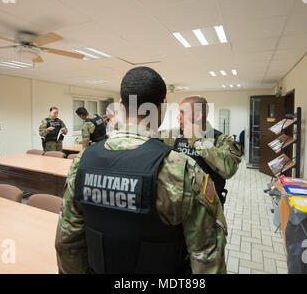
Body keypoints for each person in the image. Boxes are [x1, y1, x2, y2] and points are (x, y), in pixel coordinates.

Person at [55, 67, 228, 274]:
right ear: (163, 107)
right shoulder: (182, 170)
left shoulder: (82, 162)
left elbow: (67, 242)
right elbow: (208, 259)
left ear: (120, 105)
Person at [161, 96, 242, 205]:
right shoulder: (172, 135)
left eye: (182, 112)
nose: (177, 117)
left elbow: (229, 170)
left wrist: (197, 140)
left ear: (198, 115)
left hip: (206, 210)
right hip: (177, 205)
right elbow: (146, 138)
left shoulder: (221, 140)